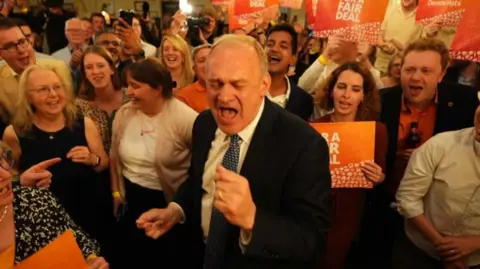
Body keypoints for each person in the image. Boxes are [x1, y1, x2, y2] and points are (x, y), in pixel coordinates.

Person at [136, 35, 332, 269]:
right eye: (215, 84)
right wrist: (175, 210)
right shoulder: (205, 123)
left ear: (263, 85)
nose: (224, 97)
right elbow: (198, 183)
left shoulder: (304, 144)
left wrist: (252, 219)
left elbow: (311, 240)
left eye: (238, 84)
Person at [369, 37, 479, 269]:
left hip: (434, 221)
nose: (415, 77)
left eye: (426, 71)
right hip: (384, 203)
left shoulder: (464, 102)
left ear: (441, 74)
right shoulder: (380, 102)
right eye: (409, 69)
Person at [2, 64, 112, 260]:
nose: (53, 94)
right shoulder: (15, 134)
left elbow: (103, 162)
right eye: (43, 89)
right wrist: (25, 179)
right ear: (28, 96)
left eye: (57, 87)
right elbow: (11, 179)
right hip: (48, 225)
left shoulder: (83, 123)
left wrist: (92, 159)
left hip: (91, 213)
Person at [109, 58, 198, 268]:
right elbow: (114, 154)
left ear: (158, 89)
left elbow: (201, 165)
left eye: (136, 86)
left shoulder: (185, 119)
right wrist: (116, 193)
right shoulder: (124, 113)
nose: (128, 92)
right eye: (128, 85)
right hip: (131, 199)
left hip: (167, 201)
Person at [313, 62, 388, 269]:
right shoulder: (313, 128)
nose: (347, 95)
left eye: (355, 89)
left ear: (363, 96)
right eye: (342, 87)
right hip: (315, 214)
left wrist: (378, 177)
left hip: (350, 216)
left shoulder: (376, 132)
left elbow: (381, 179)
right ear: (332, 90)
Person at [394, 104, 480, 269]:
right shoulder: (440, 144)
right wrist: (445, 248)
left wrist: (474, 243)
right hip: (420, 253)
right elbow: (407, 199)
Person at [0, 141, 109, 269]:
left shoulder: (34, 200)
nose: (6, 175)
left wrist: (92, 260)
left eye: (1, 160)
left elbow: (81, 241)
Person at [0, 17, 70, 135]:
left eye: (22, 41)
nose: (21, 50)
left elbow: (70, 111)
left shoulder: (58, 68)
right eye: (10, 46)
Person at [76, 45, 129, 152]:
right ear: (84, 74)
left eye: (100, 65)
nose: (95, 71)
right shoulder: (79, 107)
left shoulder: (131, 97)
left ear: (112, 69)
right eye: (89, 67)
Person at [264, 23, 313, 121]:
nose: (274, 49)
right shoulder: (246, 91)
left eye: (283, 46)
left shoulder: (303, 101)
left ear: (293, 59)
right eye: (270, 44)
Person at [175, 44, 211, 113]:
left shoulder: (231, 90)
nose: (207, 64)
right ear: (194, 69)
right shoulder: (184, 96)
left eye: (211, 59)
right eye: (202, 60)